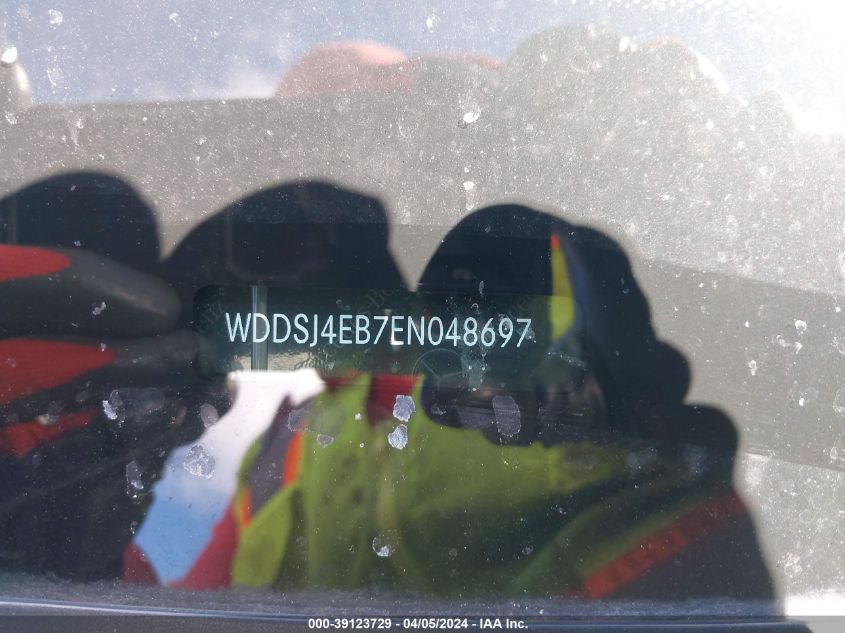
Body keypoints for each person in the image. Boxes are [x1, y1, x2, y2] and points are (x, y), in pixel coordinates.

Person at [176, 203, 773, 601]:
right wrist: (123, 473)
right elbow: (173, 607)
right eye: (275, 232)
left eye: (329, 220)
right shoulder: (277, 450)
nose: (307, 257)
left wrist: (637, 409)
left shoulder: (563, 299)